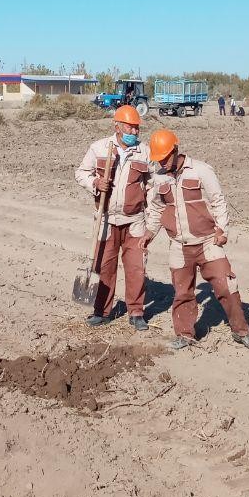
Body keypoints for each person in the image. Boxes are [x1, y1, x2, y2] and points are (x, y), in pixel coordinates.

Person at [145, 129, 249, 352]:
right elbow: (157, 208)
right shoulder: (159, 178)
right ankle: (185, 335)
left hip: (208, 242)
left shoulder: (201, 170)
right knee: (182, 292)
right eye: (158, 159)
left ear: (175, 150)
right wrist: (149, 233)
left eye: (165, 157)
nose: (162, 162)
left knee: (227, 286)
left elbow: (218, 201)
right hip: (179, 245)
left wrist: (222, 230)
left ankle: (242, 332)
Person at [74, 106, 153, 331]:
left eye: (137, 128)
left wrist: (151, 217)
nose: (135, 132)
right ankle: (102, 311)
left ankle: (136, 312)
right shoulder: (99, 148)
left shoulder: (144, 152)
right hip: (106, 218)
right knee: (104, 266)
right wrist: (95, 183)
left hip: (134, 220)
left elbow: (152, 185)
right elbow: (81, 173)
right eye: (130, 127)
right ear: (116, 126)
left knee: (136, 267)